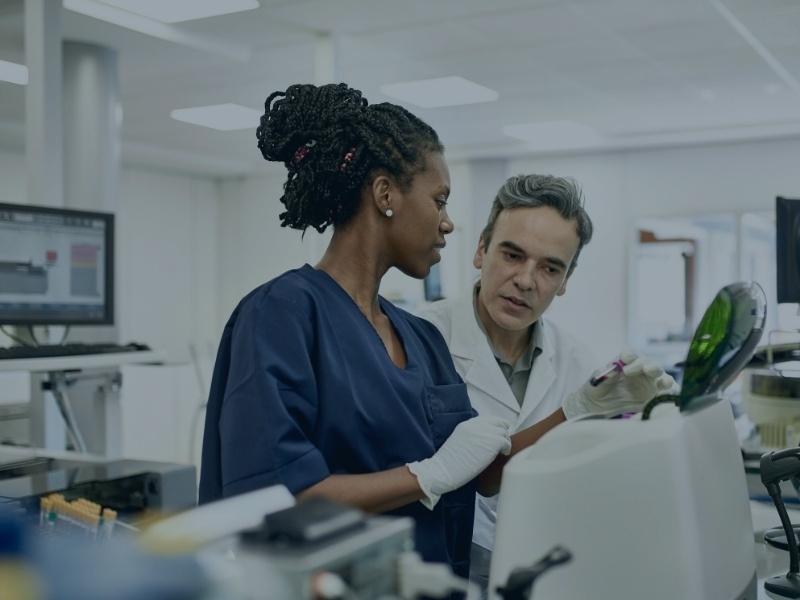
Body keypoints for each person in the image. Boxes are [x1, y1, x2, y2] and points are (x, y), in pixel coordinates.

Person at [198, 83, 674, 586]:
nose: (447, 224)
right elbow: (275, 498)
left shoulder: (417, 338)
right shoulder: (283, 314)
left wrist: (579, 408)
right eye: (439, 200)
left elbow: (479, 473)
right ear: (385, 194)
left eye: (551, 268)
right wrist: (424, 476)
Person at [416, 173, 677, 590]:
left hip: (547, 573)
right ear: (481, 249)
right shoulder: (416, 339)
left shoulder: (578, 361)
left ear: (566, 280)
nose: (525, 280)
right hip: (439, 573)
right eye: (513, 255)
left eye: (550, 267)